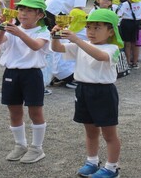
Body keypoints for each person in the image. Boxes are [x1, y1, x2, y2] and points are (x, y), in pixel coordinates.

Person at [51, 9, 123, 178]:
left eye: (97, 27)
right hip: (83, 89)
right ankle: (92, 161)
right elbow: (58, 48)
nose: (91, 31)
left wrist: (76, 39)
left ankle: (112, 168)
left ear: (111, 30)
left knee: (109, 133)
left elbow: (100, 56)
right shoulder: (82, 44)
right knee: (90, 131)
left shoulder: (113, 47)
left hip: (103, 91)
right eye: (88, 27)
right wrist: (55, 36)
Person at [0, 0, 50, 163]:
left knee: (35, 111)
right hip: (11, 73)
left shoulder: (43, 31)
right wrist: (1, 26)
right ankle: (20, 145)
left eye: (29, 10)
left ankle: (37, 148)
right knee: (14, 111)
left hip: (32, 74)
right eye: (21, 9)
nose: (23, 13)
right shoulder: (13, 27)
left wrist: (18, 32)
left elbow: (35, 46)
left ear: (39, 15)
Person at [118, 0, 141, 69]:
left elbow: (119, 15)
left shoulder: (124, 5)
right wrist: (138, 23)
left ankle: (127, 62)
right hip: (137, 24)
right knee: (136, 44)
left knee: (127, 44)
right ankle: (135, 63)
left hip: (126, 24)